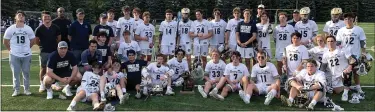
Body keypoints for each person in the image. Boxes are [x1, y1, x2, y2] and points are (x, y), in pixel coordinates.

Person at [3, 10, 35, 96]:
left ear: (24, 18)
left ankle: (26, 89)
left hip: (26, 55)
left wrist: (27, 48)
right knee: (15, 73)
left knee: (26, 73)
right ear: (15, 17)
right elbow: (5, 41)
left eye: (23, 15)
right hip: (14, 54)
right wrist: (10, 50)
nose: (21, 16)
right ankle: (16, 90)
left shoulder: (28, 28)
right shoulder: (10, 29)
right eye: (19, 15)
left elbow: (33, 40)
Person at [336, 12, 367, 94]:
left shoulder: (359, 29)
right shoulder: (341, 30)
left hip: (355, 54)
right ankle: (345, 88)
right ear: (344, 20)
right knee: (345, 72)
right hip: (344, 55)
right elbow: (338, 43)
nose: (348, 20)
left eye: (350, 18)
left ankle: (358, 87)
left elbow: (362, 41)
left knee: (356, 72)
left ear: (353, 19)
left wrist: (363, 52)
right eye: (346, 19)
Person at [321, 36, 357, 101]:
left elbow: (353, 59)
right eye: (328, 41)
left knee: (347, 73)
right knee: (336, 91)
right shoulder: (326, 53)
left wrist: (349, 67)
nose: (330, 43)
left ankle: (345, 93)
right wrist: (319, 75)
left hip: (344, 73)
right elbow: (323, 67)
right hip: (334, 75)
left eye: (332, 41)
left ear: (335, 42)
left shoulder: (342, 50)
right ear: (326, 43)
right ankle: (349, 87)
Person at [35, 11, 62, 92]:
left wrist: (54, 46)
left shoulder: (56, 27)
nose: (47, 18)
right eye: (45, 17)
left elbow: (59, 39)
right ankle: (42, 84)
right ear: (42, 18)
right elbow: (37, 41)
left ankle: (55, 83)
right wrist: (43, 46)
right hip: (44, 51)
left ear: (51, 18)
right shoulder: (39, 29)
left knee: (55, 68)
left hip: (54, 51)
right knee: (43, 68)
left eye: (48, 17)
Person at [273, 12, 295, 78]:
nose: (282, 19)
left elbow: (293, 38)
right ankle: (280, 78)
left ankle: (288, 78)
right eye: (280, 17)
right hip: (279, 48)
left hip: (288, 48)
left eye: (283, 17)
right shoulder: (276, 28)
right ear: (279, 19)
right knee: (279, 64)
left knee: (288, 64)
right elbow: (275, 39)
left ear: (286, 18)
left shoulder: (290, 27)